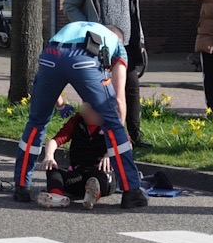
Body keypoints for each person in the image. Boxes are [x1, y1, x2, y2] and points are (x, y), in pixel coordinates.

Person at [12, 21, 148, 209]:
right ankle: (132, 192)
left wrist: (60, 106)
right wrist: (117, 132)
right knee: (112, 123)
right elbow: (119, 100)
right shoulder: (117, 46)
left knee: (36, 123)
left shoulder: (76, 28)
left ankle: (21, 187)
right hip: (83, 60)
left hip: (51, 54)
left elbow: (55, 73)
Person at [63, 0, 149, 147]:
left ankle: (134, 135)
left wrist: (141, 39)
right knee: (98, 89)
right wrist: (89, 28)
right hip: (98, 45)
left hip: (126, 44)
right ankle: (96, 136)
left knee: (131, 88)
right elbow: (69, 6)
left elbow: (134, 11)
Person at [35, 103, 117, 210]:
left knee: (104, 177)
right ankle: (56, 196)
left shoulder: (110, 124)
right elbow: (55, 140)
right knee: (53, 170)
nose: (87, 114)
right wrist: (49, 156)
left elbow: (125, 143)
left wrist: (109, 155)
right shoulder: (76, 121)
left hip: (100, 172)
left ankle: (93, 196)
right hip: (78, 174)